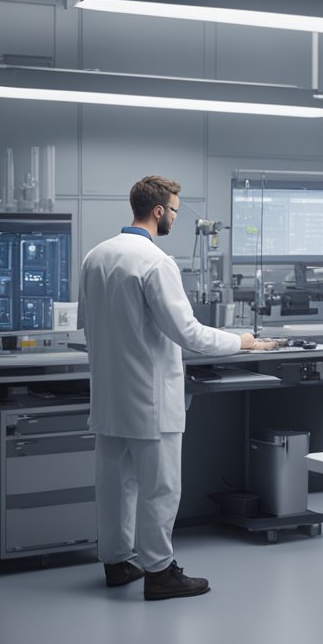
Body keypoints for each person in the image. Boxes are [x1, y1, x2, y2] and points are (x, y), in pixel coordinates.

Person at [79, 175, 276, 600]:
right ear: (158, 212)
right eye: (174, 210)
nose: (174, 217)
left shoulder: (95, 256)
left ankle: (116, 562)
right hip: (150, 400)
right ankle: (160, 572)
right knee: (160, 490)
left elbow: (89, 326)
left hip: (110, 398)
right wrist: (241, 342)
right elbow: (188, 332)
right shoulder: (155, 261)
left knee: (115, 486)